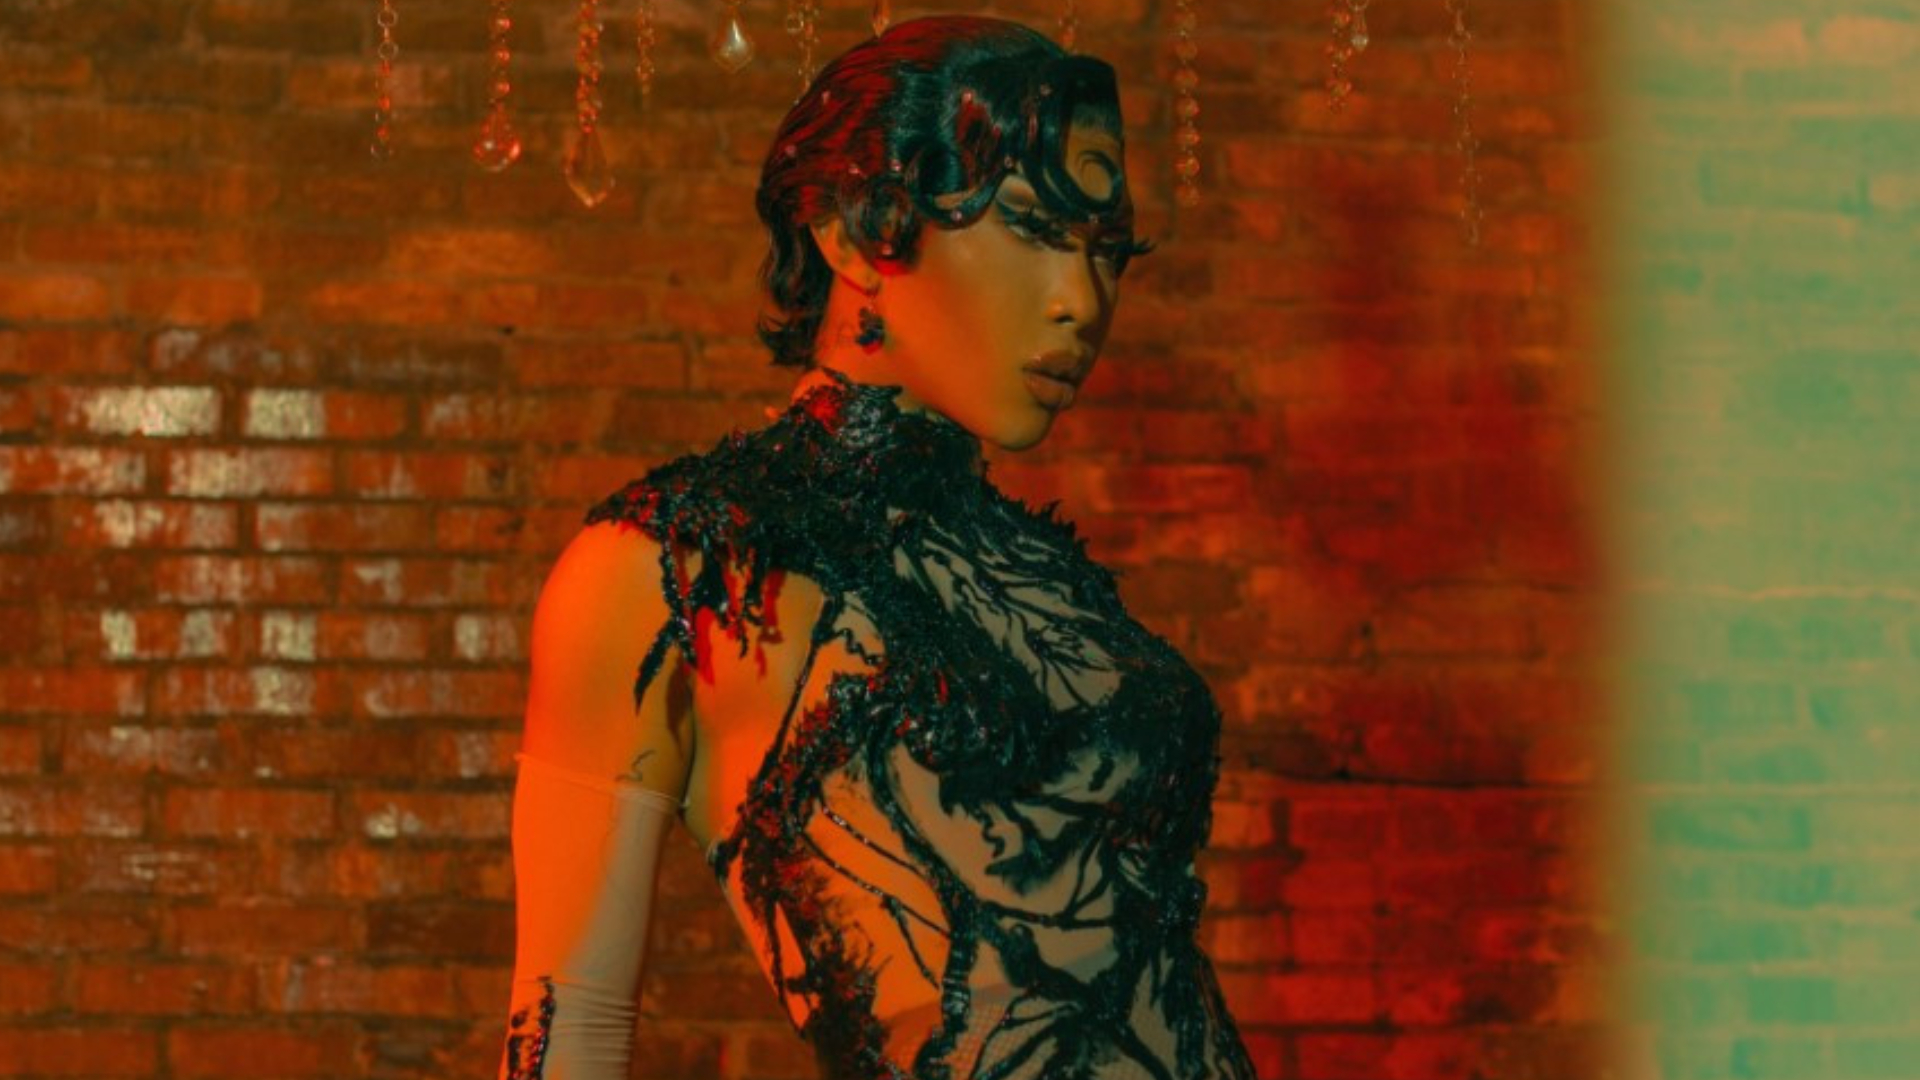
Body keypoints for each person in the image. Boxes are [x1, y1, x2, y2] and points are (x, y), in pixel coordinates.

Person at [498, 15, 1255, 1080]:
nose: (1082, 303)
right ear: (855, 231)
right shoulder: (665, 569)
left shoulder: (1047, 576)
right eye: (1033, 228)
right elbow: (567, 1031)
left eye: (1106, 253)